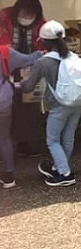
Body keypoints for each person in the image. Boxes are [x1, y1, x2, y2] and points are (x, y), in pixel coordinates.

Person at [20, 21, 81, 187]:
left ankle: (65, 174)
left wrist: (17, 84)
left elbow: (29, 86)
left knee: (52, 140)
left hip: (59, 105)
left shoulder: (43, 62)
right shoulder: (72, 56)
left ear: (44, 42)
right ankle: (59, 167)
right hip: (77, 102)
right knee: (68, 137)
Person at [0, 0, 47, 157]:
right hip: (5, 70)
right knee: (6, 108)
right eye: (24, 13)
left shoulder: (41, 23)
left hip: (29, 70)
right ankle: (6, 146)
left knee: (29, 107)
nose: (26, 18)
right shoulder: (3, 17)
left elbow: (44, 45)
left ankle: (25, 142)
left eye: (30, 15)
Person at [0, 46, 42, 188]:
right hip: (3, 101)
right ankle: (8, 177)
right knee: (4, 138)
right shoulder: (5, 52)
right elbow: (30, 59)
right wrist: (41, 51)